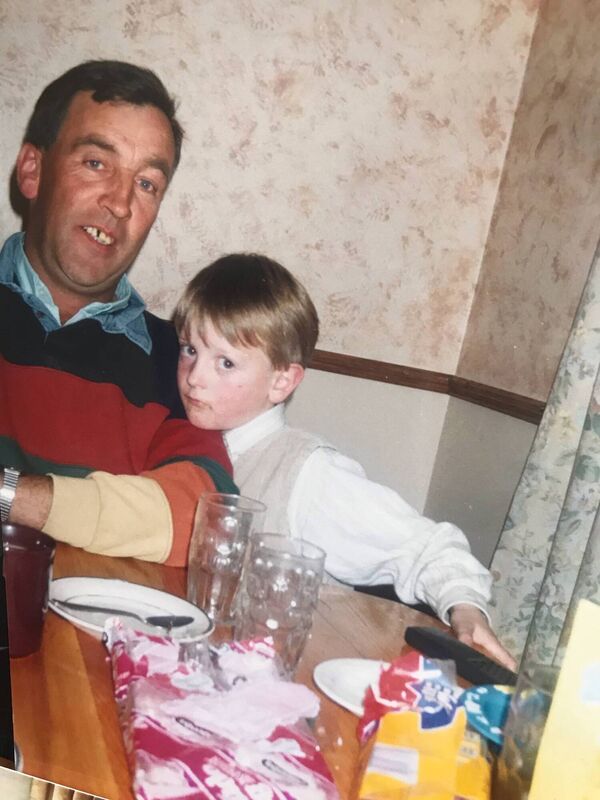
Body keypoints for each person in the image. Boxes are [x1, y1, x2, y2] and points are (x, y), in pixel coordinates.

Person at [174, 253, 516, 669]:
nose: (194, 376)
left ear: (281, 381)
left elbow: (429, 547)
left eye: (224, 362)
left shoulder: (308, 475)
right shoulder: (187, 442)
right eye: (190, 350)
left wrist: (466, 608)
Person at [0, 60, 235, 566]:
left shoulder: (180, 361)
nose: (121, 203)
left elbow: (203, 520)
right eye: (95, 163)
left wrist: (10, 495)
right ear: (32, 171)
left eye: (147, 183)